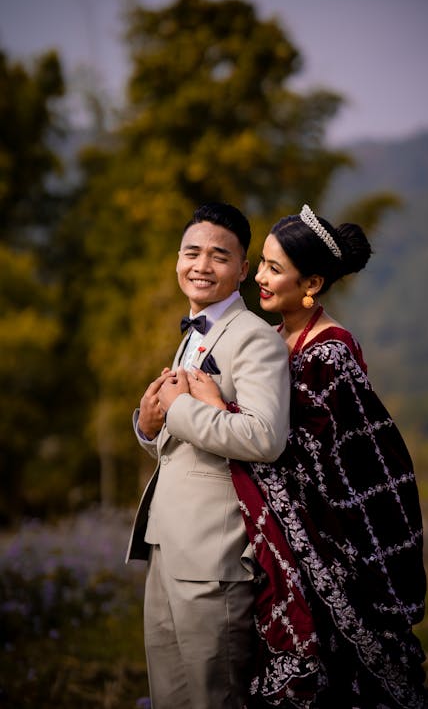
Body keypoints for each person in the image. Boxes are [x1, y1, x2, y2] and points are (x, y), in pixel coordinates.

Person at [190, 205, 428, 708]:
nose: (258, 276)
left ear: (313, 283)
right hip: (270, 544)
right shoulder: (271, 341)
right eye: (260, 263)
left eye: (274, 269)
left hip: (331, 546)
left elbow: (320, 457)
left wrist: (219, 408)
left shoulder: (331, 352)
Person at [126, 202, 290, 709]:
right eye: (191, 252)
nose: (201, 265)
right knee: (169, 696)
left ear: (243, 270)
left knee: (212, 698)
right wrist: (148, 426)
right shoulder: (195, 332)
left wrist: (176, 411)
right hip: (166, 544)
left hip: (214, 558)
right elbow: (179, 437)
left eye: (219, 256)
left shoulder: (256, 339)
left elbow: (265, 437)